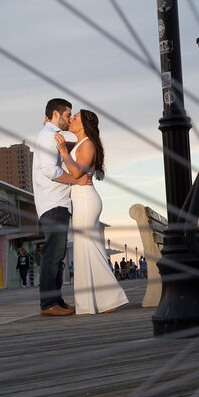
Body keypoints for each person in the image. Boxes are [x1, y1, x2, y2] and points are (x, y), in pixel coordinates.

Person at [58, 109, 128, 314]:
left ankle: (111, 298)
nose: (71, 119)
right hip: (80, 200)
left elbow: (77, 172)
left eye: (75, 117)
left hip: (86, 200)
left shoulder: (87, 144)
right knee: (84, 250)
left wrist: (63, 151)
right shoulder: (80, 143)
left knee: (90, 249)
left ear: (84, 124)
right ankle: (94, 302)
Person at [33, 98, 81, 316]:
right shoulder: (47, 136)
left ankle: (57, 300)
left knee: (58, 255)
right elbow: (49, 170)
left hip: (57, 203)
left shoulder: (53, 136)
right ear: (55, 114)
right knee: (52, 254)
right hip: (53, 203)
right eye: (67, 115)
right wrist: (76, 179)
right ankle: (48, 304)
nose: (69, 119)